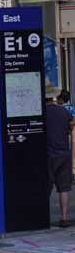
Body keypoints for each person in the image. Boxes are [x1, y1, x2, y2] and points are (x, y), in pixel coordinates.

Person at [46, 86, 75, 227]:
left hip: (48, 155)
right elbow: (71, 129)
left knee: (46, 187)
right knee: (64, 188)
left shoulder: (41, 113)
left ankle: (42, 216)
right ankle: (63, 218)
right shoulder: (64, 111)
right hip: (64, 153)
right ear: (54, 97)